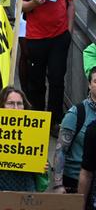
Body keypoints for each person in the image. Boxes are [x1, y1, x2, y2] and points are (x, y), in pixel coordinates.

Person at [22, 0, 76, 130]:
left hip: (59, 36)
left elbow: (71, 3)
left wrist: (68, 31)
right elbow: (22, 6)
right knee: (36, 80)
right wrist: (34, 3)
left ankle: (55, 121)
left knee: (57, 79)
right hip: (36, 37)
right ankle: (37, 119)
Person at [0, 86, 47, 191]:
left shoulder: (35, 131)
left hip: (25, 191)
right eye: (10, 103)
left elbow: (41, 178)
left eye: (19, 104)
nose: (16, 108)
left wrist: (41, 167)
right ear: (1, 105)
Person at [54, 65, 96, 193]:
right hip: (75, 183)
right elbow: (61, 150)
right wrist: (58, 185)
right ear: (89, 85)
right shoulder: (76, 113)